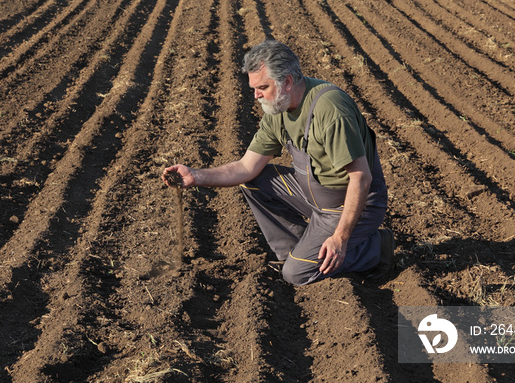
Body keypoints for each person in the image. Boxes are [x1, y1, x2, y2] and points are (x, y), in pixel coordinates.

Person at [162, 40, 394, 285]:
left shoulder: (330, 110)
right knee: (253, 181)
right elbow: (246, 167)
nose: (256, 95)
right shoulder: (278, 109)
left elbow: (361, 177)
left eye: (262, 86)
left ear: (287, 81)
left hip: (349, 204)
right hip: (311, 195)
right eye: (254, 87)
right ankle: (298, 251)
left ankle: (376, 248)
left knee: (297, 274)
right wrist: (196, 176)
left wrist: (340, 238)